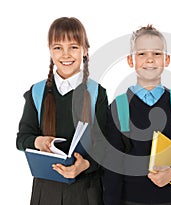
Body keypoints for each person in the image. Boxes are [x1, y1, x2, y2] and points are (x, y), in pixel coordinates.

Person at [102, 25, 171, 205]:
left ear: (166, 60)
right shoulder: (119, 106)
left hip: (170, 199)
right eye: (142, 54)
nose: (150, 59)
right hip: (129, 200)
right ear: (131, 61)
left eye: (157, 54)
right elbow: (112, 164)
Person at [16, 17, 108, 205]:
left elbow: (105, 145)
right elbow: (21, 138)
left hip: (86, 190)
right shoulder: (37, 92)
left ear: (85, 50)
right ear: (50, 50)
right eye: (58, 47)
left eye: (73, 47)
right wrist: (38, 141)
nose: (66, 55)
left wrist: (85, 164)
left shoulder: (97, 93)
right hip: (46, 190)